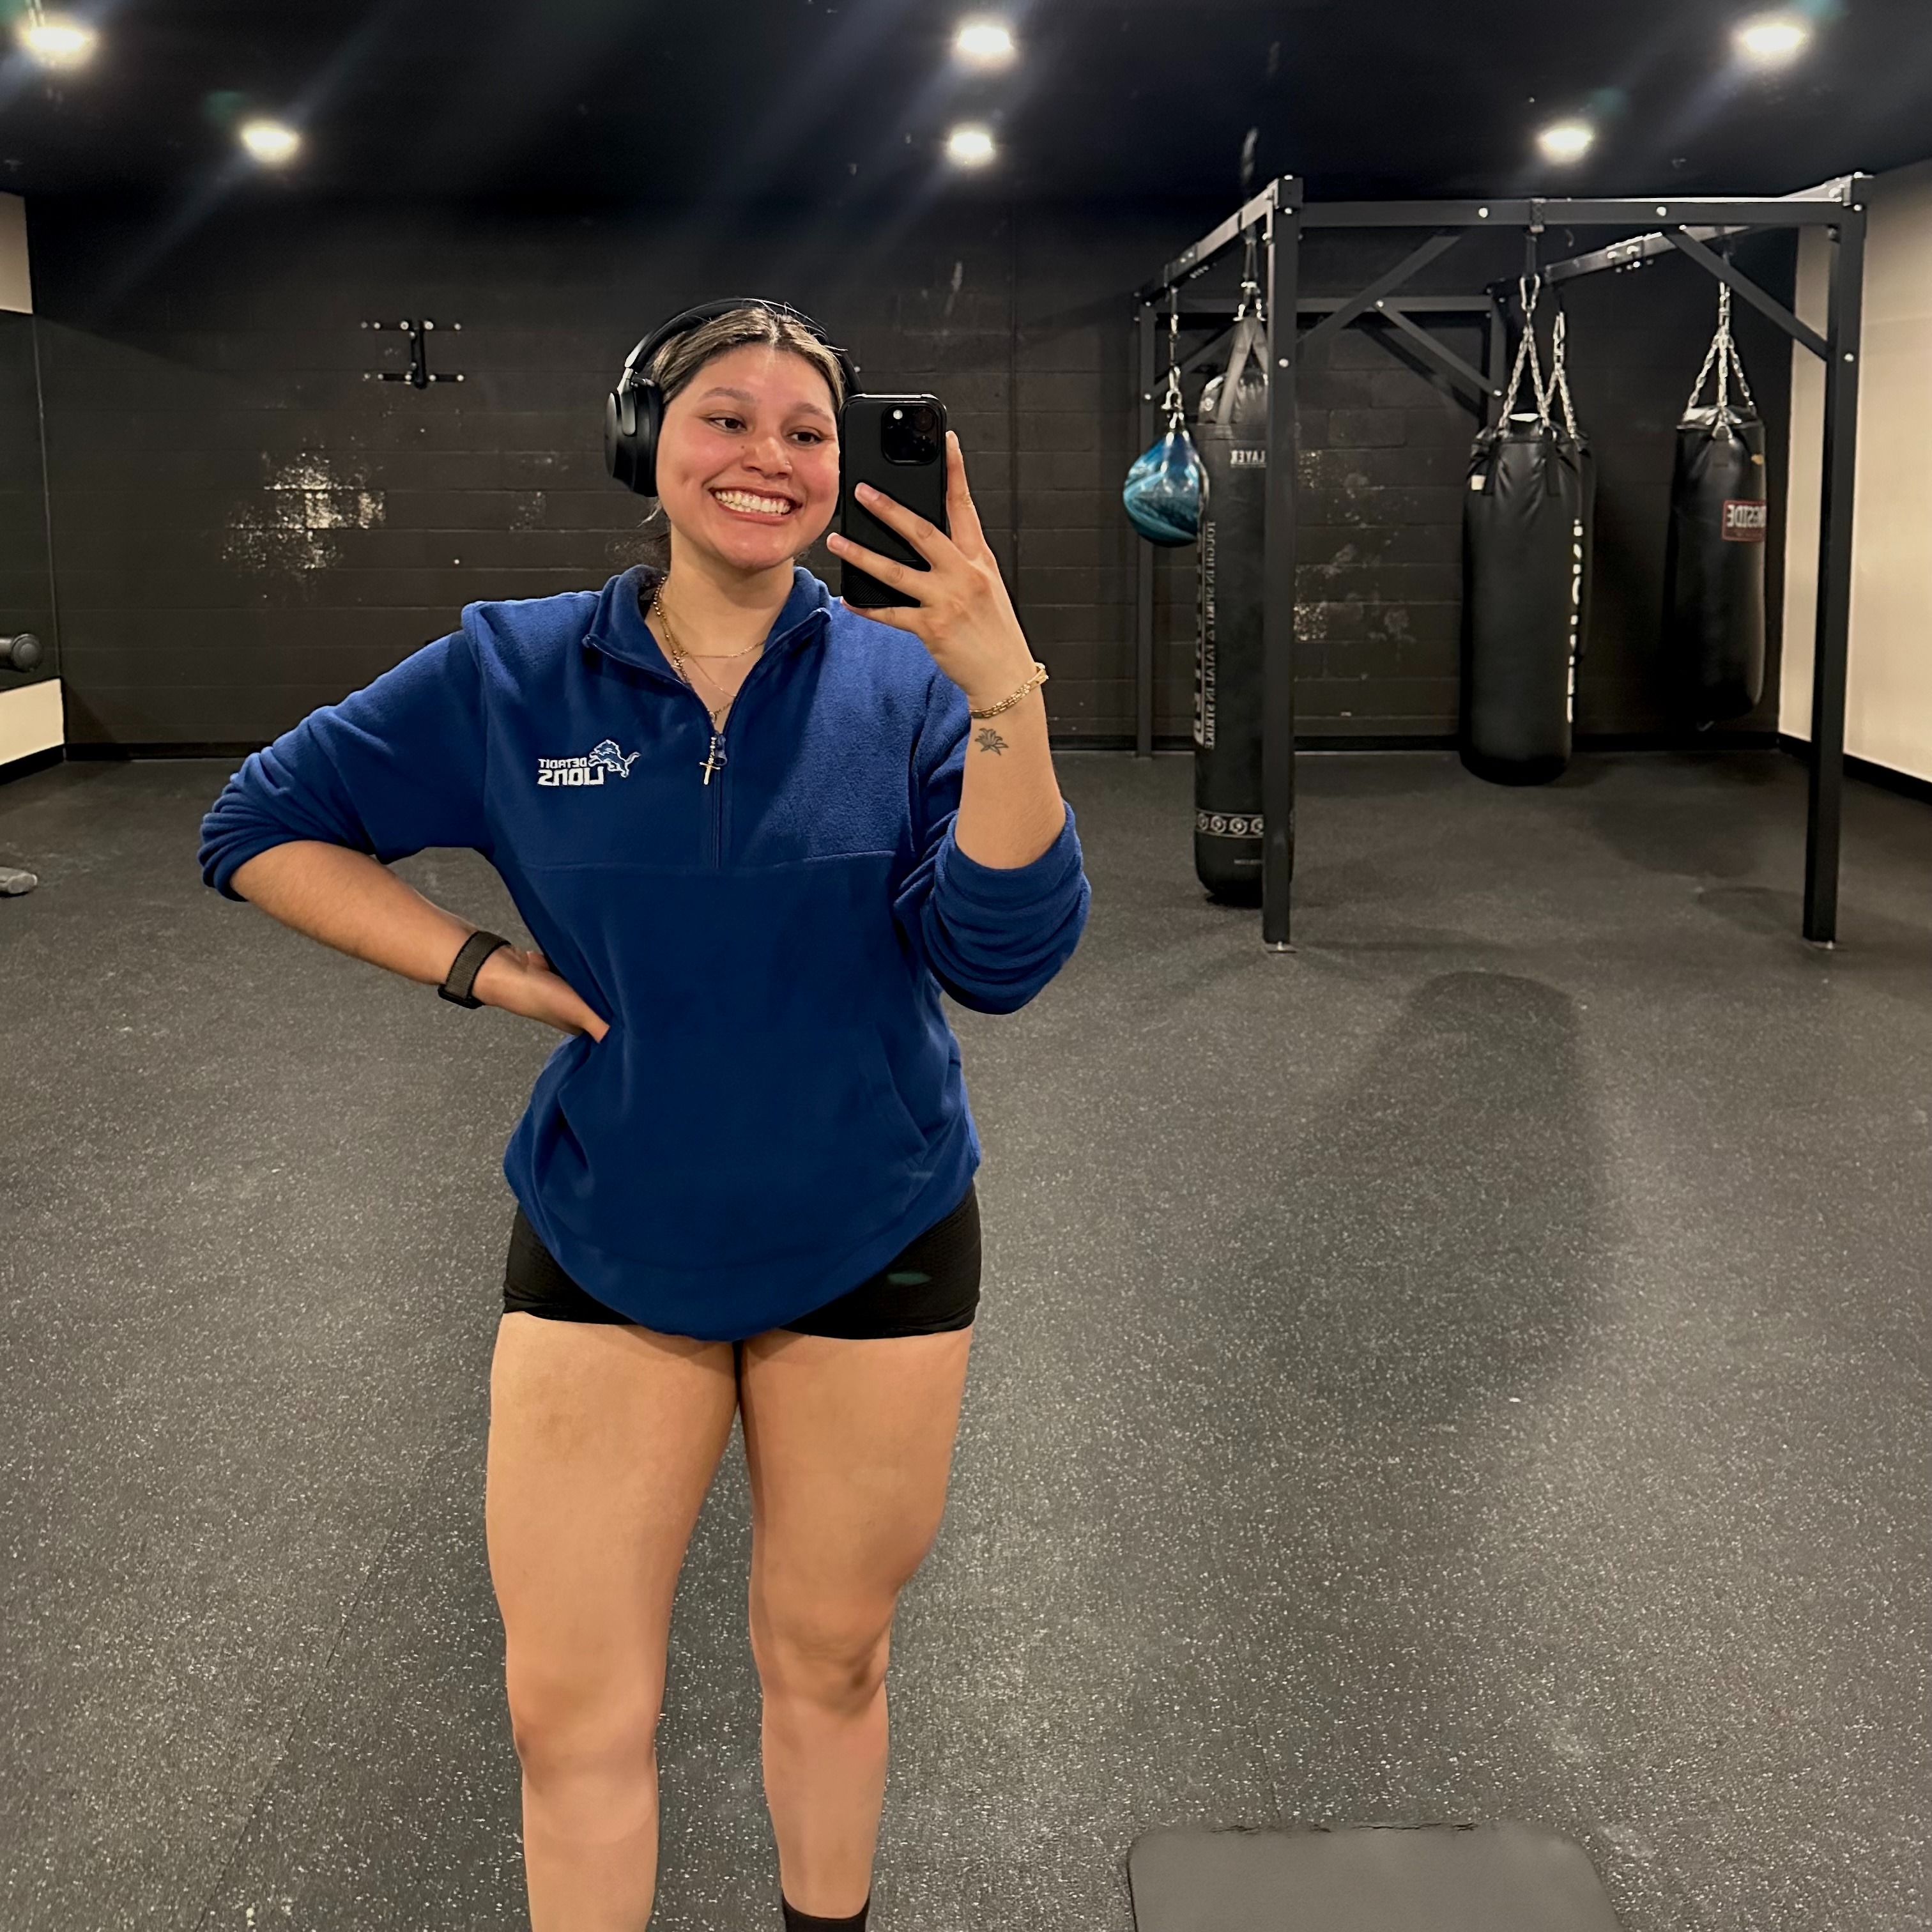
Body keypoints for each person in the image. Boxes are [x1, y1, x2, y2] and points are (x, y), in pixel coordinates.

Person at [196, 300, 1089, 1932]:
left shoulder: (909, 681)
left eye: (807, 432)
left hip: (872, 1222)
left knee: (833, 1656)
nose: (767, 457)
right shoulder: (513, 672)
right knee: (569, 1708)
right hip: (613, 1223)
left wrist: (1004, 689)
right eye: (723, 417)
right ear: (645, 442)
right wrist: (477, 966)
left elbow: (1003, 957)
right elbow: (260, 824)